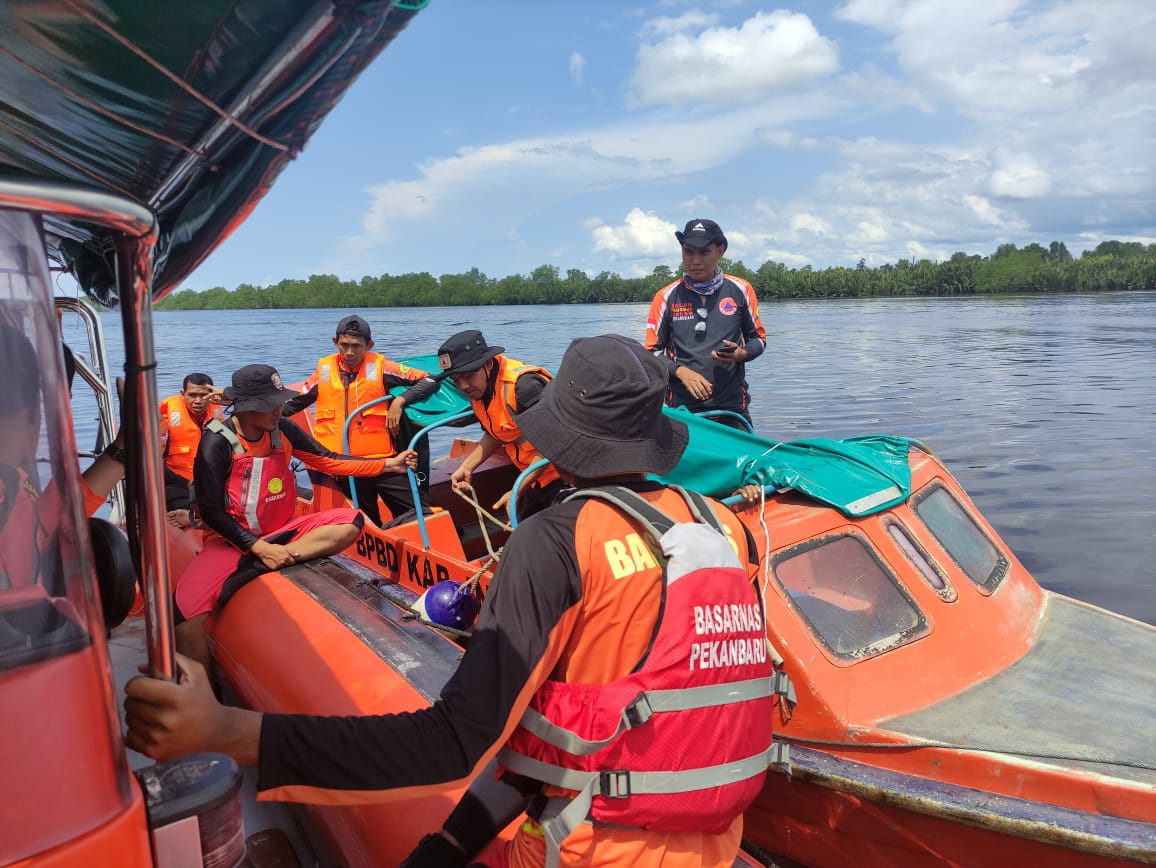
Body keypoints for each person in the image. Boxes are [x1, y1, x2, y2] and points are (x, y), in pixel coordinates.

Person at [124, 335, 774, 868]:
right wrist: (447, 848)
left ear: (556, 437)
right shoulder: (723, 526)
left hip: (589, 851)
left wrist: (228, 732)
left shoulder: (555, 542)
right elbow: (596, 723)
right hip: (717, 842)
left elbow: (450, 744)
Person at [171, 364, 417, 668]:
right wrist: (258, 547)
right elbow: (210, 511)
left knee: (351, 522)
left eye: (279, 401)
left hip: (283, 531)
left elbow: (329, 460)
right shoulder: (216, 443)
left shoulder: (282, 429)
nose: (279, 408)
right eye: (271, 404)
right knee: (182, 615)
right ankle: (202, 699)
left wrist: (388, 464)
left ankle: (273, 559)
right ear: (247, 407)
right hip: (230, 541)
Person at [283, 314, 437, 527]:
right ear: (335, 342)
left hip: (385, 464)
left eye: (356, 346)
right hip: (346, 469)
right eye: (344, 345)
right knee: (365, 524)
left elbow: (428, 379)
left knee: (424, 512)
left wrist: (399, 401)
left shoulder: (382, 367)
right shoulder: (323, 373)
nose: (349, 352)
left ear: (369, 345)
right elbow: (291, 405)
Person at [645, 218, 767, 429]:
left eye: (704, 252)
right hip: (682, 412)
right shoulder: (665, 297)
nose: (695, 261)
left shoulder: (741, 289)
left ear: (720, 251)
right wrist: (681, 371)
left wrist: (742, 354)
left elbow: (759, 339)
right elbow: (650, 353)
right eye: (688, 252)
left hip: (733, 410)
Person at [437, 329, 565, 519]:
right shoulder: (480, 390)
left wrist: (517, 490)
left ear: (488, 364)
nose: (463, 386)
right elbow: (495, 433)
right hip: (536, 479)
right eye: (456, 380)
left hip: (565, 475)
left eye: (468, 375)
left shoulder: (525, 387)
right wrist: (467, 466)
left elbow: (553, 442)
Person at [158, 373, 225, 529]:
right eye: (192, 395)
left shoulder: (218, 413)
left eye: (204, 396)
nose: (198, 401)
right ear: (183, 395)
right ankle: (193, 517)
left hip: (211, 484)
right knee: (173, 496)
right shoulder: (164, 417)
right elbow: (150, 464)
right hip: (178, 486)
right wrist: (187, 483)